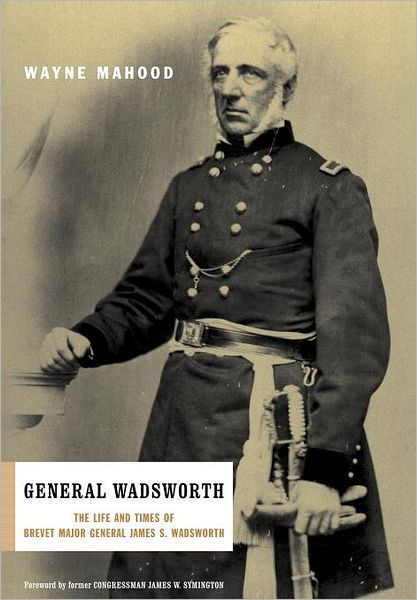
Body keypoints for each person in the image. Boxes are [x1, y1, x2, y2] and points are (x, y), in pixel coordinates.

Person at [40, 17, 393, 599]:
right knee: (161, 582)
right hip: (184, 417)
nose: (230, 88)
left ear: (285, 88)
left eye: (249, 73)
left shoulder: (328, 187)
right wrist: (88, 338)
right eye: (220, 73)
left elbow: (354, 345)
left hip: (269, 419)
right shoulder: (188, 186)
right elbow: (146, 297)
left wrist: (325, 471)